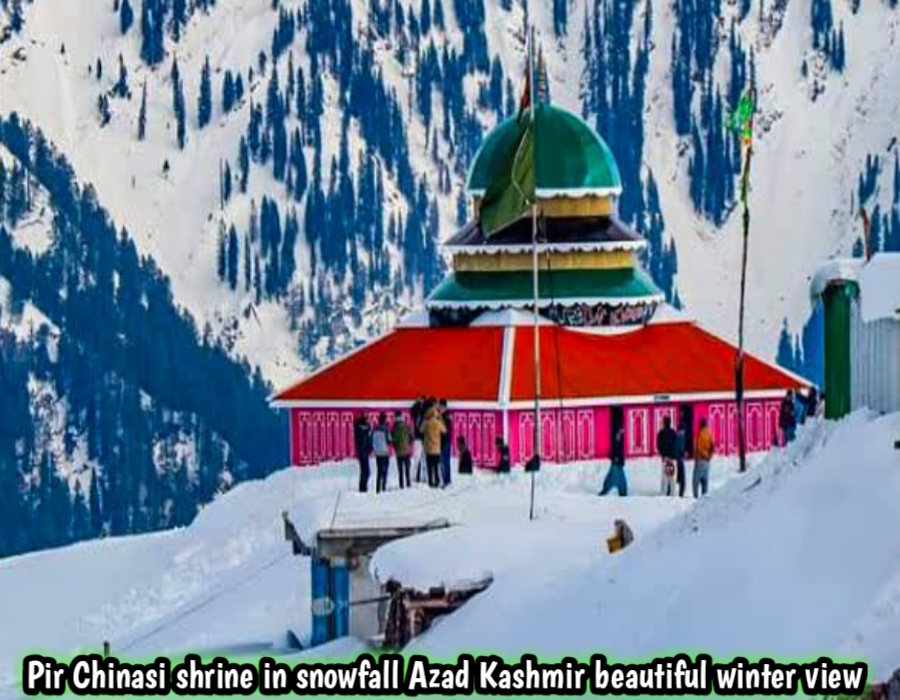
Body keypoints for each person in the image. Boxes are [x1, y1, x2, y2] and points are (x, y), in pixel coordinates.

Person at [421, 406, 446, 488]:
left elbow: (421, 430)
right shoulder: (438, 423)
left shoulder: (426, 423)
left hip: (428, 449)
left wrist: (425, 419)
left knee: (429, 467)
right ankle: (437, 480)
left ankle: (431, 482)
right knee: (436, 466)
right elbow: (444, 430)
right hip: (437, 449)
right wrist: (440, 418)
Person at [600, 425, 628, 496]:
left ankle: (622, 491)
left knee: (618, 479)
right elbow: (613, 452)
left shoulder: (619, 440)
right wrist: (615, 458)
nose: (622, 432)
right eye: (620, 431)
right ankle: (607, 490)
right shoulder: (615, 440)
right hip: (616, 463)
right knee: (613, 478)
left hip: (618, 463)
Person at [656, 416, 678, 496]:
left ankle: (663, 495)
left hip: (665, 459)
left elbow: (659, 446)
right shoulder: (674, 433)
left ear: (664, 423)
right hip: (672, 459)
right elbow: (676, 445)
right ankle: (673, 495)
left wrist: (664, 455)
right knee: (672, 479)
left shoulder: (661, 433)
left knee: (664, 479)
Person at [693, 417, 715, 497]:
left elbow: (698, 447)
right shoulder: (709, 433)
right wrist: (709, 456)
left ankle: (695, 498)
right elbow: (713, 446)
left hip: (700, 459)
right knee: (705, 482)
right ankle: (704, 498)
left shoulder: (700, 434)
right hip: (707, 462)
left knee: (696, 481)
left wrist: (704, 455)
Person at [391, 411, 413, 489]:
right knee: (407, 470)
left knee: (400, 470)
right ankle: (408, 484)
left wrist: (395, 447)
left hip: (399, 452)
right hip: (407, 451)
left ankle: (401, 485)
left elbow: (393, 439)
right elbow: (411, 437)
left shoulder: (394, 427)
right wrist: (408, 445)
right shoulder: (406, 425)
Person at [371, 412, 392, 493]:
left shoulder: (374, 429)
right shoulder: (386, 429)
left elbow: (372, 439)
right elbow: (389, 440)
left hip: (377, 452)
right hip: (384, 452)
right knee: (385, 470)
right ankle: (383, 487)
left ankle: (377, 488)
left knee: (379, 470)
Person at [353, 414, 372, 493]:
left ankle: (363, 487)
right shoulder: (362, 431)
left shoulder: (359, 430)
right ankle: (363, 487)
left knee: (364, 471)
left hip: (362, 452)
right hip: (363, 452)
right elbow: (365, 442)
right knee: (366, 471)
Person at [410, 395, 425, 482]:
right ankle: (419, 477)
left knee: (418, 459)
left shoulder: (417, 412)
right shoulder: (421, 411)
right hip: (422, 438)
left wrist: (417, 403)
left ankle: (416, 477)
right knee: (420, 459)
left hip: (419, 438)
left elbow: (411, 411)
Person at [438, 399, 453, 488]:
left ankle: (446, 480)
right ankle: (447, 479)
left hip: (444, 442)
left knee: (444, 462)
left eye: (441, 406)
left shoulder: (445, 416)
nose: (440, 408)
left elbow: (445, 430)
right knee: (445, 462)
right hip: (446, 441)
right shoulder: (447, 415)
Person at [674, 417, 688, 497]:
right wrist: (683, 454)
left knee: (679, 477)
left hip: (678, 459)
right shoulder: (680, 437)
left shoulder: (678, 436)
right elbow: (680, 448)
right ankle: (680, 494)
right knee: (682, 479)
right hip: (679, 460)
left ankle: (680, 493)